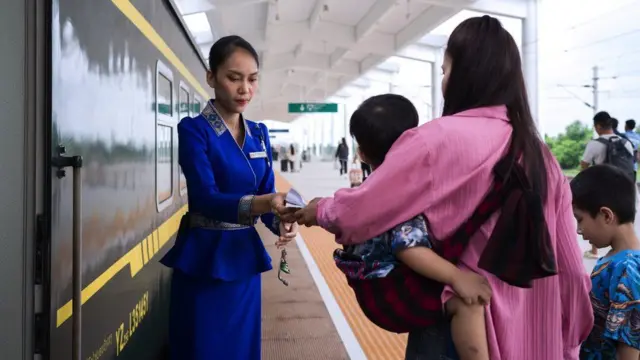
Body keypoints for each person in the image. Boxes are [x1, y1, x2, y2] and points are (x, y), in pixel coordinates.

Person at [281, 16, 593, 359]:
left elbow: (361, 211)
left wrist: (318, 209)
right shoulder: (542, 157)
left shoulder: (433, 141)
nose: (443, 79)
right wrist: (569, 338)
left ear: (463, 76)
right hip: (537, 340)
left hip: (459, 329)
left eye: (444, 71)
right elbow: (573, 269)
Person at [159, 35, 297, 360]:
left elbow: (265, 195)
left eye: (252, 80)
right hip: (205, 259)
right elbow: (205, 197)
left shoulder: (259, 134)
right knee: (202, 348)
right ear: (212, 77)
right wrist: (266, 203)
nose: (244, 89)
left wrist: (281, 222)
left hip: (243, 261)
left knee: (241, 350)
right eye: (233, 78)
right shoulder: (194, 130)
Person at [335, 93, 492, 360]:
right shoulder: (398, 192)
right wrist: (458, 277)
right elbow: (408, 247)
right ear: (414, 141)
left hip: (373, 286)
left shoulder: (369, 190)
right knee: (467, 303)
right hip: (391, 288)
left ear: (361, 152)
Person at [570, 165, 640, 359]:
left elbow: (629, 348)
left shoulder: (628, 269)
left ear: (606, 215)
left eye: (580, 219)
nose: (578, 230)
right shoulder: (614, 259)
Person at [581, 111, 634, 259]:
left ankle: (594, 251)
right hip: (626, 186)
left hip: (603, 188)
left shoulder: (595, 144)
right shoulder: (626, 142)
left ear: (598, 126)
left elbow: (584, 165)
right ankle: (626, 249)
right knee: (623, 218)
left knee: (595, 216)